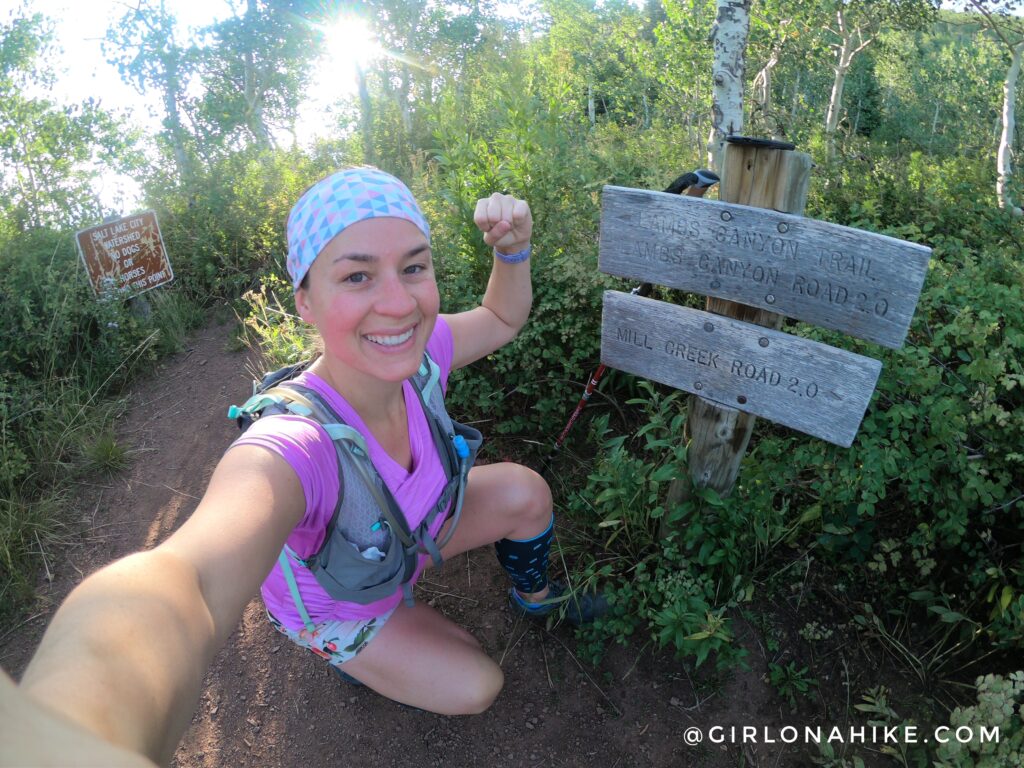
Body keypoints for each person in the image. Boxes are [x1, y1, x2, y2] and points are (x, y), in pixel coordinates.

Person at [4, 167, 603, 766]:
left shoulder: (426, 355)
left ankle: (537, 595)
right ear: (305, 301)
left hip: (410, 533)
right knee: (477, 684)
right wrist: (73, 728)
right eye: (357, 275)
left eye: (414, 267)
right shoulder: (294, 446)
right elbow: (190, 578)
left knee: (524, 493)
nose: (398, 302)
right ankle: (349, 655)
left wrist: (513, 251)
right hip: (344, 594)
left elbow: (501, 318)